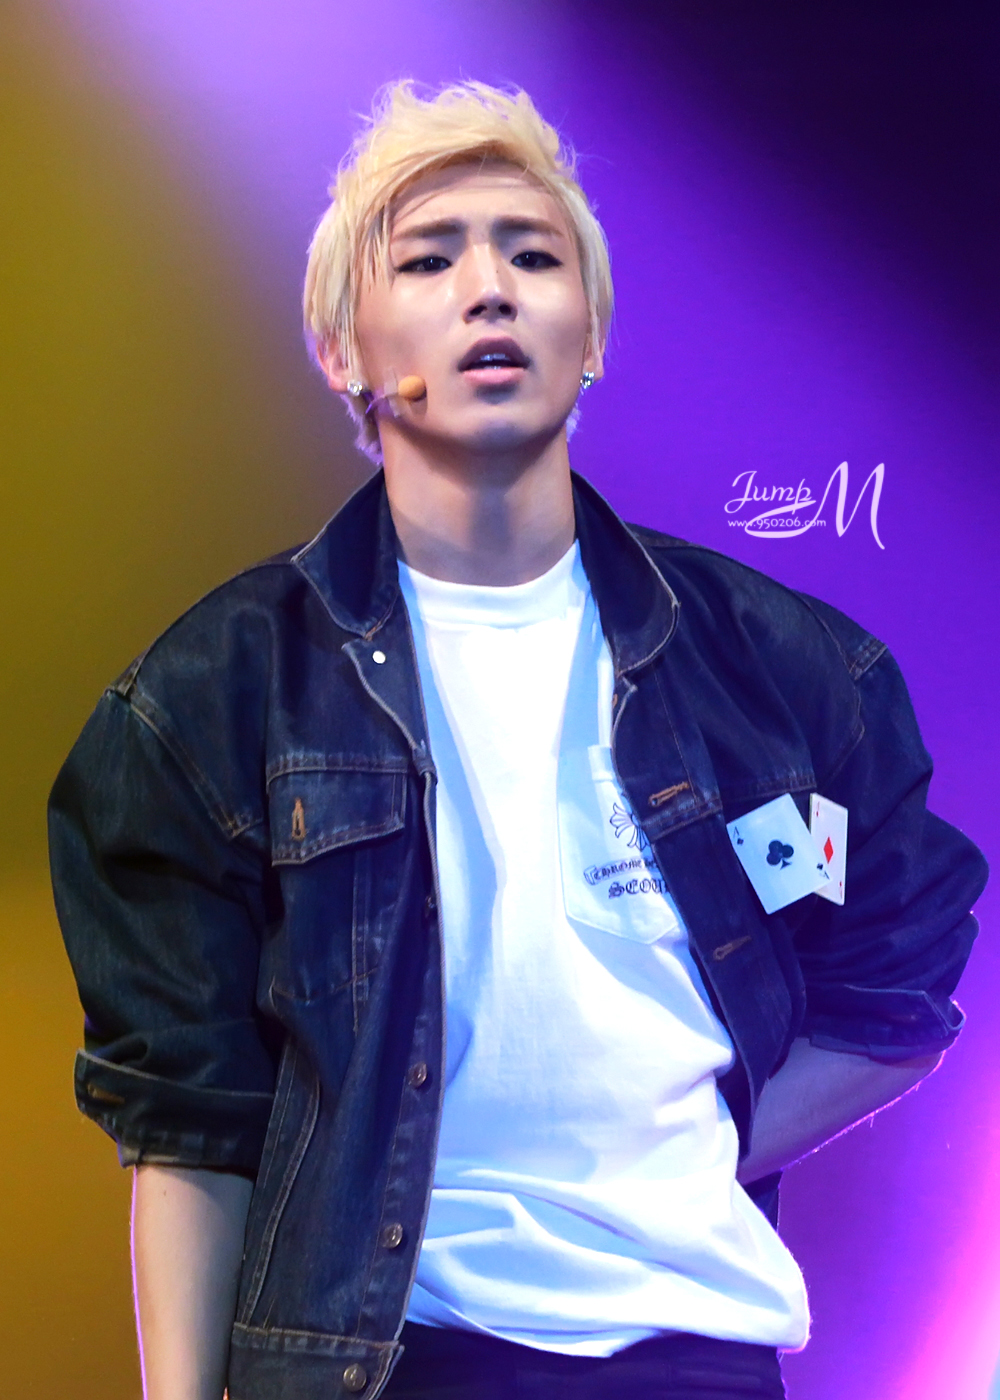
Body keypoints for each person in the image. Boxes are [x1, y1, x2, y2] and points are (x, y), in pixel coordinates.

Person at [49, 81, 987, 1400]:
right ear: (340, 350)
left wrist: (667, 1156)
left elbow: (896, 981)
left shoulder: (781, 671)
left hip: (695, 1361)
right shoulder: (215, 695)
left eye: (532, 257)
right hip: (384, 1362)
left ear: (589, 331)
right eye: (429, 260)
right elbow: (189, 1129)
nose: (488, 289)